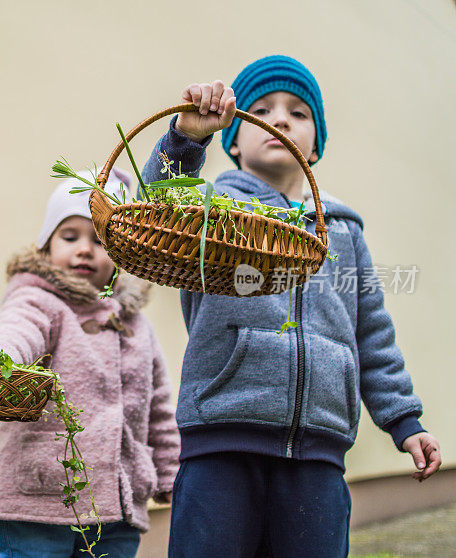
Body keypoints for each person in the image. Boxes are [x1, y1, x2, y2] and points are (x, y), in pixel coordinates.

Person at [139, 55, 442, 557]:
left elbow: (372, 335)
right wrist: (186, 138)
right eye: (262, 108)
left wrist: (404, 421)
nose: (279, 118)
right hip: (221, 443)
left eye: (298, 112)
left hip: (319, 456)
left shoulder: (344, 232)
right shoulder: (213, 213)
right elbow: (156, 209)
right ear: (234, 139)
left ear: (316, 144)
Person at [0, 167, 180, 558]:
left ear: (124, 255)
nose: (84, 249)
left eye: (101, 241)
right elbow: (17, 329)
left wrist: (170, 471)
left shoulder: (136, 326)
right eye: (70, 237)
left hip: (117, 509)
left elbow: (156, 409)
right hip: (39, 501)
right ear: (46, 247)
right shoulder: (39, 301)